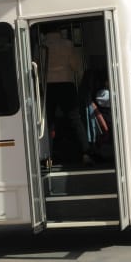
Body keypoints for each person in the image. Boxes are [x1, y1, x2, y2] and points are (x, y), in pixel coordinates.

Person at [42, 31, 92, 165]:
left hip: (48, 86)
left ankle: (48, 156)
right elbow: (76, 66)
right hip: (66, 84)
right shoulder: (67, 45)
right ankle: (86, 152)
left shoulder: (41, 46)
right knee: (75, 119)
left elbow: (38, 67)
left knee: (49, 122)